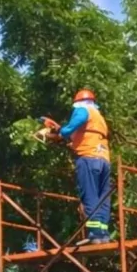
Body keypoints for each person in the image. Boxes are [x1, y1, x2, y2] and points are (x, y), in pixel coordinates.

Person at [36, 89, 112, 245]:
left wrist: (61, 131)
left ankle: (95, 233)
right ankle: (103, 233)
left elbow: (73, 126)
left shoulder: (83, 110)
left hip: (88, 159)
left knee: (89, 195)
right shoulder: (99, 118)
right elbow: (79, 135)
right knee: (103, 196)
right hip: (103, 160)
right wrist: (58, 129)